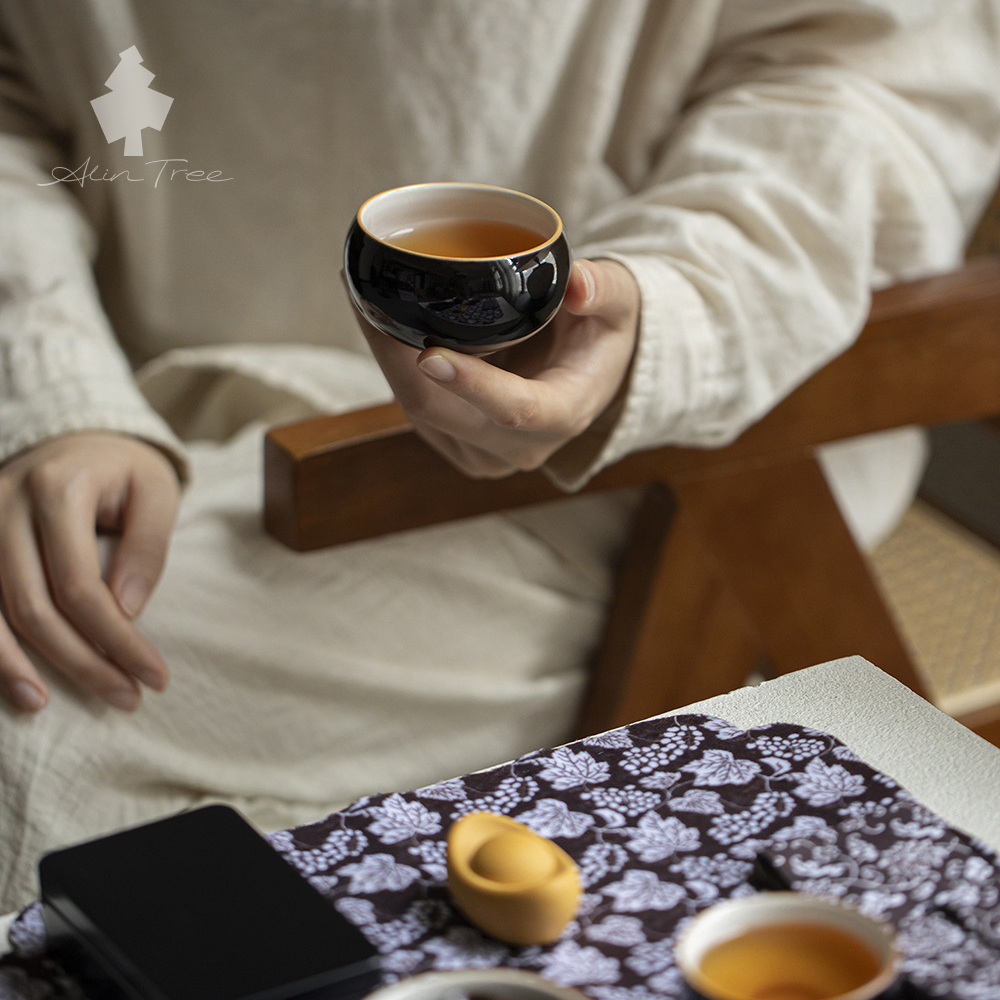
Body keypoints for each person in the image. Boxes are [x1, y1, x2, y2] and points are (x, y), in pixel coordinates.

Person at [0, 1, 998, 911]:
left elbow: (870, 85)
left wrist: (669, 314)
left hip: (642, 452)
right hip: (129, 395)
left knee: (32, 713)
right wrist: (51, 381)